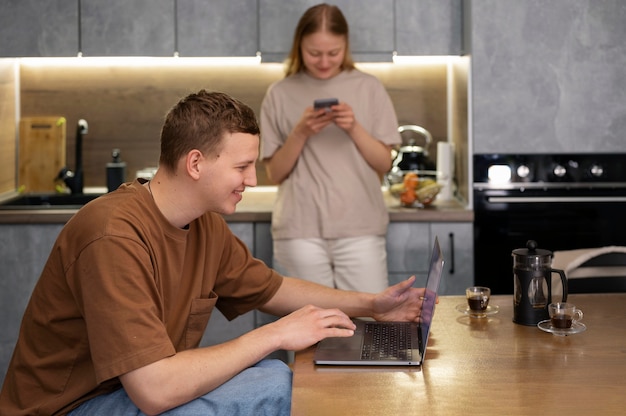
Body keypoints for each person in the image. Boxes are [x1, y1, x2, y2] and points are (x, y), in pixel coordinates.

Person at [0, 90, 426, 416]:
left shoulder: (204, 224)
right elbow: (154, 391)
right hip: (73, 408)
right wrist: (276, 334)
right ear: (196, 163)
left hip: (128, 395)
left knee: (275, 374)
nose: (253, 180)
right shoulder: (113, 235)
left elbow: (272, 290)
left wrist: (371, 305)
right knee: (272, 382)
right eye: (242, 167)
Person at [260, 3, 401, 293]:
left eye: (333, 53)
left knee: (368, 323)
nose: (324, 61)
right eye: (314, 53)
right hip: (299, 231)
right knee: (309, 330)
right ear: (299, 46)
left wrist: (353, 127)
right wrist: (300, 132)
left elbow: (384, 163)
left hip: (360, 228)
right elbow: (274, 173)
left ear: (345, 46)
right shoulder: (279, 92)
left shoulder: (369, 88)